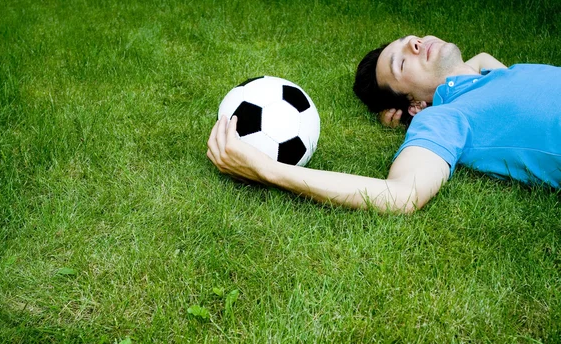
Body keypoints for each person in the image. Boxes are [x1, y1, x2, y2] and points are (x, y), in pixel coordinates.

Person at [207, 35, 561, 214]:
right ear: (416, 104)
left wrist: (454, 76)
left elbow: (480, 60)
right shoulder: (445, 118)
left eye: (409, 40)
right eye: (402, 64)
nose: (413, 43)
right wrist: (268, 170)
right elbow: (402, 195)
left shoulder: (489, 77)